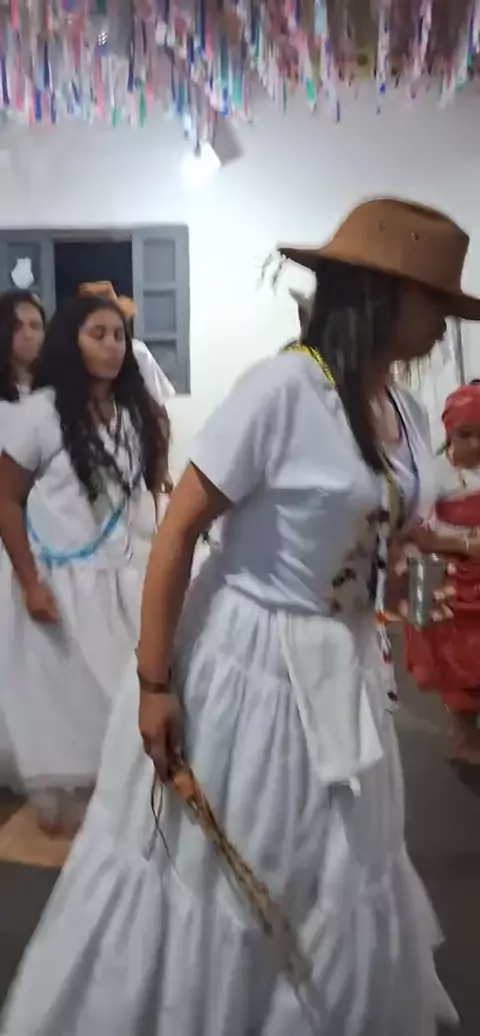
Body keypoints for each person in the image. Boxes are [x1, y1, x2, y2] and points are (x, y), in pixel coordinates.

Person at [1, 197, 472, 1036]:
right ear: (381, 296)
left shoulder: (398, 409)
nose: (445, 320)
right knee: (241, 864)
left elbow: (375, 523)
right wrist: (154, 685)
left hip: (343, 671)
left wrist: (421, 563)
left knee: (340, 864)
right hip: (250, 668)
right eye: (433, 299)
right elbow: (179, 530)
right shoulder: (284, 389)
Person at [0, 294, 171, 834]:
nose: (113, 346)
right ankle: (89, 820)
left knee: (127, 694)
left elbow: (142, 488)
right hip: (61, 584)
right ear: (70, 341)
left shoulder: (131, 410)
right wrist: (31, 583)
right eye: (98, 334)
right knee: (73, 705)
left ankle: (124, 807)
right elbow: (6, 499)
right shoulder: (40, 413)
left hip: (122, 578)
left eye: (119, 335)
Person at [405, 382, 480, 764]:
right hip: (456, 587)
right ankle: (465, 739)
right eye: (465, 434)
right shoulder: (436, 475)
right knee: (461, 670)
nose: (476, 445)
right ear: (449, 432)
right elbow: (416, 531)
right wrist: (464, 545)